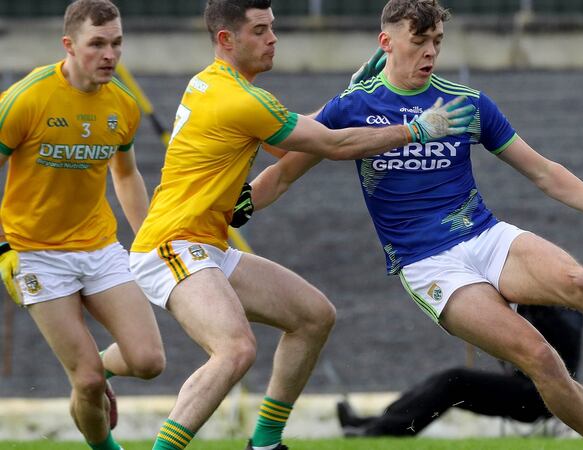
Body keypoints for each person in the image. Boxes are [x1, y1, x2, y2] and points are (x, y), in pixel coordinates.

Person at [233, 1, 583, 449]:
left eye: (437, 40)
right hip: (427, 263)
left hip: (485, 235)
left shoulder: (466, 103)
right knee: (540, 359)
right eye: (419, 40)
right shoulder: (354, 108)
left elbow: (542, 171)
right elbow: (281, 168)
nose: (431, 52)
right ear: (386, 42)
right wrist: (242, 206)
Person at [126, 1, 475, 450]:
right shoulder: (240, 98)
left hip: (203, 244)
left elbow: (300, 133)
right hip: (170, 245)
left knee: (313, 316)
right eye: (259, 31)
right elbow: (331, 143)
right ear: (226, 40)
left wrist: (345, 97)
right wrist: (415, 129)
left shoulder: (217, 84)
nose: (273, 39)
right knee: (235, 350)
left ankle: (265, 443)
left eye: (272, 28)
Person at [0, 1, 166, 450]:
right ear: (69, 46)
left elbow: (126, 174)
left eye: (116, 43)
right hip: (34, 253)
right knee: (87, 380)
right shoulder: (26, 98)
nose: (109, 55)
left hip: (99, 246)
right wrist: (2, 248)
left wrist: (150, 241)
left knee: (150, 361)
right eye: (97, 44)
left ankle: (96, 371)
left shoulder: (123, 106)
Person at [336, 305, 583, 437]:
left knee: (454, 382)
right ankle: (374, 423)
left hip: (539, 397)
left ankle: (382, 430)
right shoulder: (554, 307)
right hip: (529, 389)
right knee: (447, 380)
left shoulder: (558, 311)